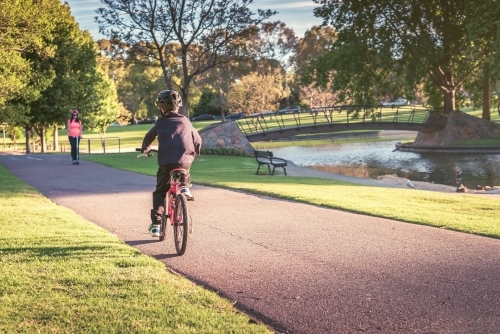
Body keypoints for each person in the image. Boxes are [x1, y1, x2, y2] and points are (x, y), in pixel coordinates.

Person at [141, 90, 202, 237]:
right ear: (178, 106)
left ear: (162, 108)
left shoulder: (160, 122)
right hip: (185, 160)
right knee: (184, 170)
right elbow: (197, 139)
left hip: (166, 161)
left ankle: (156, 225)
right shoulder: (186, 121)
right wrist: (195, 151)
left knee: (161, 191)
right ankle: (185, 188)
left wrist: (145, 148)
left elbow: (149, 136)